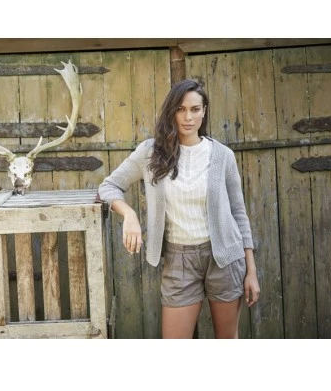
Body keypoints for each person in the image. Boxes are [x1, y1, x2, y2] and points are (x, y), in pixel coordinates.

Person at [98, 79, 260, 339]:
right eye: (181, 109)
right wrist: (129, 214)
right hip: (178, 260)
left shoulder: (223, 155)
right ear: (171, 111)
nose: (188, 117)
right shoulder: (150, 152)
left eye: (195, 109)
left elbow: (239, 215)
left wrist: (251, 271)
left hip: (225, 259)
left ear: (204, 111)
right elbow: (108, 186)